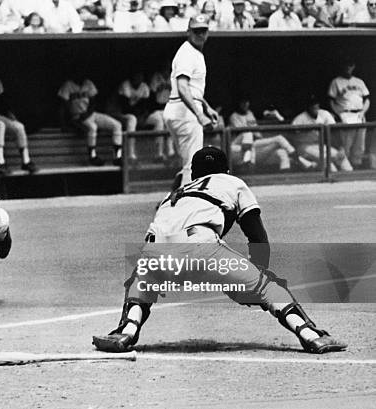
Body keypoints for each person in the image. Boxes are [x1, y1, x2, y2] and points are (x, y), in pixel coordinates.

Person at [92, 146, 347, 355]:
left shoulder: (175, 193)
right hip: (200, 248)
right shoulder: (232, 182)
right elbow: (257, 236)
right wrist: (255, 277)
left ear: (194, 173)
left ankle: (126, 331)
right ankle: (311, 335)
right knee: (268, 286)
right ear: (225, 169)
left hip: (154, 250)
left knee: (142, 276)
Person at [164, 13, 219, 189]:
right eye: (196, 31)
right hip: (184, 111)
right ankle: (183, 205)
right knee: (193, 164)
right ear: (189, 31)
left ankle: (172, 199)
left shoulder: (194, 52)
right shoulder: (187, 53)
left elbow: (193, 89)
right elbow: (182, 87)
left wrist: (206, 106)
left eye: (203, 31)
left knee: (188, 162)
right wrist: (200, 115)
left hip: (180, 109)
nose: (200, 35)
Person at [229, 97, 316, 172]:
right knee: (278, 139)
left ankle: (285, 182)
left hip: (256, 146)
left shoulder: (250, 113)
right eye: (242, 102)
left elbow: (257, 132)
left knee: (282, 153)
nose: (245, 104)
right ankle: (302, 162)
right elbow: (243, 133)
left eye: (246, 102)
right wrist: (256, 134)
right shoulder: (234, 116)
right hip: (239, 147)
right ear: (238, 104)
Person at [58, 77, 124, 166]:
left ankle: (118, 157)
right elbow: (63, 106)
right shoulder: (68, 85)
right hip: (77, 116)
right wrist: (65, 123)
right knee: (92, 127)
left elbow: (93, 102)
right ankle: (92, 156)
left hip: (90, 114)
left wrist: (87, 113)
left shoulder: (88, 83)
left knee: (117, 125)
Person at [291, 95, 353, 172]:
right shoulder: (299, 119)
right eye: (313, 107)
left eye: (317, 106)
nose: (315, 109)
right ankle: (332, 177)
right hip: (304, 147)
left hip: (320, 145)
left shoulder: (324, 114)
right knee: (325, 158)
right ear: (308, 108)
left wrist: (340, 148)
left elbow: (334, 131)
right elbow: (291, 137)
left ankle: (349, 175)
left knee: (340, 156)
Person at [328, 58, 370, 169]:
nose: (348, 67)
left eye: (350, 65)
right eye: (346, 65)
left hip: (360, 114)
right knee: (346, 143)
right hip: (346, 114)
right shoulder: (336, 81)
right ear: (342, 66)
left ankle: (357, 166)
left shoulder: (359, 81)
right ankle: (345, 167)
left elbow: (367, 99)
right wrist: (338, 113)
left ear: (353, 67)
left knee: (360, 144)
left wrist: (363, 111)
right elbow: (331, 100)